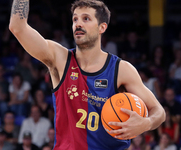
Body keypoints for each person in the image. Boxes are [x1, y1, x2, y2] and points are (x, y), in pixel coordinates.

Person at [9, 0, 165, 149]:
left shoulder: (121, 69)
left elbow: (158, 111)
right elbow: (18, 27)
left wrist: (147, 123)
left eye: (86, 19)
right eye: (75, 19)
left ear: (101, 27)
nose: (78, 23)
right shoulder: (60, 59)